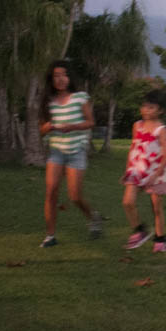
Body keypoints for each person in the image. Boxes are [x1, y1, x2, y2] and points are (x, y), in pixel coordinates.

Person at [38, 60, 103, 248]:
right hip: (56, 151)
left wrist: (72, 127)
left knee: (74, 196)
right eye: (56, 76)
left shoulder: (80, 97)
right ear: (51, 79)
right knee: (51, 192)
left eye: (63, 75)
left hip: (76, 150)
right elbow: (41, 130)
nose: (60, 79)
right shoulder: (48, 102)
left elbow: (91, 122)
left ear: (69, 77)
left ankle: (93, 217)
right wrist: (48, 126)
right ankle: (50, 236)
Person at [120, 90, 166, 253]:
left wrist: (156, 175)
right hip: (137, 169)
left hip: (156, 172)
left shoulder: (161, 129)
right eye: (144, 106)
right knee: (127, 202)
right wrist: (128, 168)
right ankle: (139, 230)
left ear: (160, 111)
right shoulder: (137, 125)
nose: (145, 110)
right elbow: (133, 147)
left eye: (151, 107)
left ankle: (160, 238)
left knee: (156, 207)